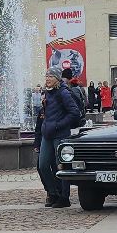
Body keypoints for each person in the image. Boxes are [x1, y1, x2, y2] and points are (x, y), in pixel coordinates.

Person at [38, 69, 84, 207]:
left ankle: (64, 197)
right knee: (43, 165)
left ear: (57, 79)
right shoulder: (47, 92)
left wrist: (58, 125)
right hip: (47, 133)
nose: (47, 78)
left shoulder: (63, 92)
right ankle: (53, 193)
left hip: (60, 134)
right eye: (46, 75)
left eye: (50, 76)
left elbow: (74, 113)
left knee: (62, 166)